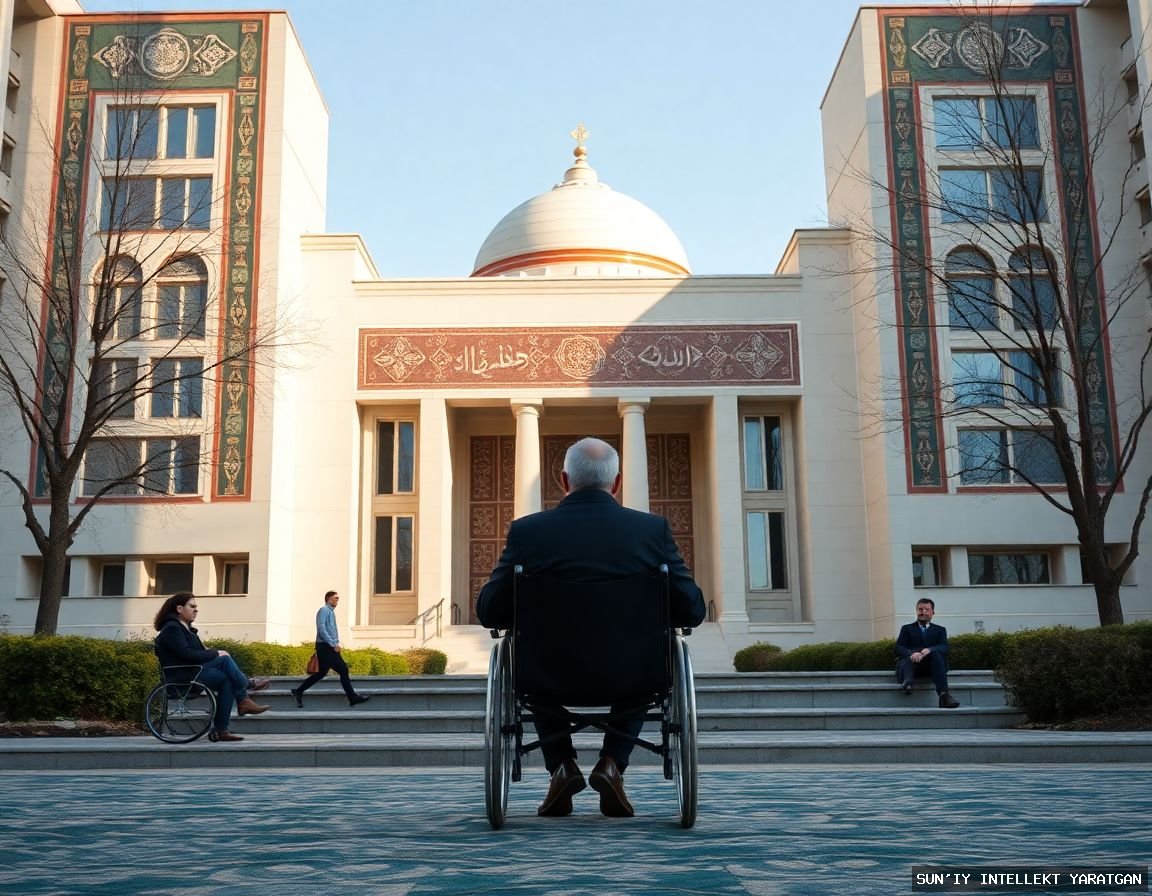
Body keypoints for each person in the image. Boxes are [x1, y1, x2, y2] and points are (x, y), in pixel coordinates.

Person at [476, 437, 706, 819]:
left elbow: (489, 611)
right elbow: (692, 610)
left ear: (564, 480)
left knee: (535, 668)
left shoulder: (527, 532)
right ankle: (612, 763)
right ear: (617, 483)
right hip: (634, 673)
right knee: (643, 662)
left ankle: (562, 766)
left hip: (546, 675)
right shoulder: (652, 531)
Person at [153, 592, 271, 743]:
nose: (196, 610)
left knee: (227, 680)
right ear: (179, 609)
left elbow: (198, 653)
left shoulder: (186, 629)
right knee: (224, 660)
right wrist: (216, 653)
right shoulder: (172, 629)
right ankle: (247, 687)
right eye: (192, 606)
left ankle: (222, 730)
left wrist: (213, 652)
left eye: (196, 607)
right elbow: (187, 654)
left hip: (193, 673)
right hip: (182, 677)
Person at [290, 591, 371, 708]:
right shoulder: (324, 610)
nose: (337, 600)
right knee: (343, 670)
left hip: (327, 646)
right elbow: (321, 629)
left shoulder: (330, 612)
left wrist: (335, 643)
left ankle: (298, 691)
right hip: (325, 646)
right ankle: (352, 698)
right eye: (335, 598)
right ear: (328, 599)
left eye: (338, 598)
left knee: (322, 673)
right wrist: (333, 644)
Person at [896, 598, 960, 708]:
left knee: (936, 653)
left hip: (933, 667)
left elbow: (944, 647)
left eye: (926, 609)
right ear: (916, 611)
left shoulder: (940, 630)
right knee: (907, 659)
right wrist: (912, 654)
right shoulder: (907, 628)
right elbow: (899, 647)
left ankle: (944, 695)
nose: (923, 612)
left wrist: (930, 650)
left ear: (933, 612)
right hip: (912, 665)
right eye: (920, 609)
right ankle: (908, 683)